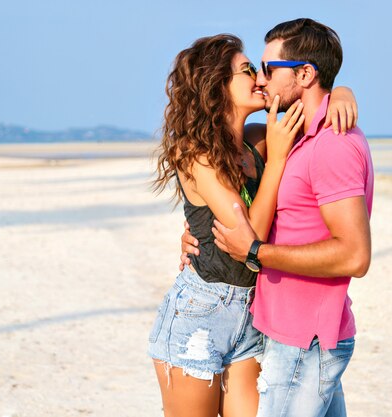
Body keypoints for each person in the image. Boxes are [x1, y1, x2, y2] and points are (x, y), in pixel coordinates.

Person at [149, 33, 358, 417]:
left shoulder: (256, 141)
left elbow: (314, 112)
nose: (260, 79)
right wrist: (276, 163)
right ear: (217, 86)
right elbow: (250, 241)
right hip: (201, 313)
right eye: (248, 71)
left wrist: (341, 92)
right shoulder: (195, 153)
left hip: (252, 313)